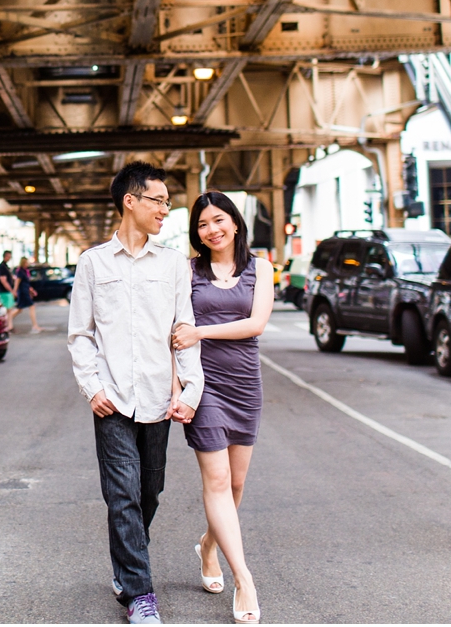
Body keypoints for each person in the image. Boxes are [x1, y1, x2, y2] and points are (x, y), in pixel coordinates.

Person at [67, 161, 204, 625]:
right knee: (122, 493)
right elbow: (80, 334)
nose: (166, 209)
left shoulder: (172, 264)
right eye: (158, 200)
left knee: (150, 491)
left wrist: (190, 390)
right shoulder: (92, 263)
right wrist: (92, 387)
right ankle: (139, 594)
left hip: (156, 399)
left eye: (168, 202)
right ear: (131, 200)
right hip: (113, 399)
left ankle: (127, 568)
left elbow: (182, 329)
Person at [170, 191, 271, 624]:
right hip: (204, 385)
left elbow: (256, 324)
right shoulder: (186, 271)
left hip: (245, 383)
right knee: (217, 480)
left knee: (236, 486)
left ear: (234, 221)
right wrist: (179, 391)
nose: (211, 230)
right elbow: (173, 334)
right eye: (202, 225)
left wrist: (202, 331)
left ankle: (208, 545)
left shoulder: (260, 268)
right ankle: (243, 579)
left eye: (218, 220)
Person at [14, 256, 43, 333]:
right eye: (26, 262)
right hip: (23, 292)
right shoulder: (20, 271)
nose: (28, 264)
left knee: (19, 309)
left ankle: (7, 321)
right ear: (23, 263)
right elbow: (17, 282)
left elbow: (26, 283)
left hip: (25, 291)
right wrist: (14, 291)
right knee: (31, 307)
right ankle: (35, 325)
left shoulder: (25, 271)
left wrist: (31, 290)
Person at [0, 250, 18, 331]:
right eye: (8, 256)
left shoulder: (5, 266)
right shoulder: (2, 267)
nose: (9, 258)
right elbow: (3, 281)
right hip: (4, 292)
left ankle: (9, 326)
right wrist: (12, 290)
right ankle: (7, 326)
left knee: (9, 309)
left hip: (6, 292)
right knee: (7, 310)